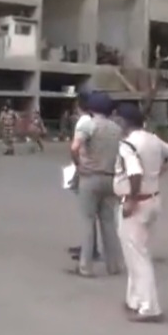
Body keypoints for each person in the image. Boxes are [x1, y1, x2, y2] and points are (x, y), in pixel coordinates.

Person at [114, 103, 168, 323]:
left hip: (137, 202)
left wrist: (131, 200)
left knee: (137, 255)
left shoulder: (128, 145)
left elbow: (134, 172)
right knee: (136, 252)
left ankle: (150, 307)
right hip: (153, 199)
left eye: (117, 119)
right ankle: (134, 299)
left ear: (124, 121)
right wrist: (158, 172)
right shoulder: (152, 139)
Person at [70, 91, 124, 277]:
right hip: (110, 177)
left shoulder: (89, 125)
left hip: (90, 176)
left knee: (87, 220)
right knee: (108, 222)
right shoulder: (117, 129)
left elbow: (75, 147)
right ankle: (114, 265)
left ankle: (85, 266)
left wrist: (79, 164)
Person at [67, 90, 101, 262]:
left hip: (85, 168)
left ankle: (89, 249)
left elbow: (77, 147)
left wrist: (78, 167)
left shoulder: (84, 121)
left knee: (88, 212)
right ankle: (89, 246)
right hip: (94, 167)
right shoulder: (94, 120)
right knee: (91, 213)